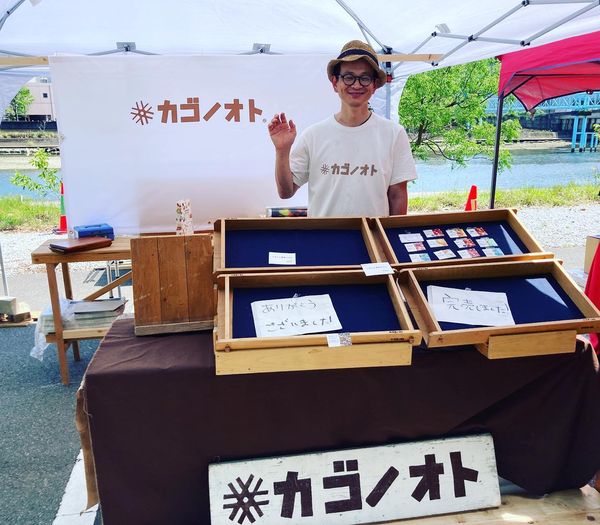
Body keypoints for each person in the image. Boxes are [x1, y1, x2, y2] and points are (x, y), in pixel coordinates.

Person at [268, 40, 417, 217]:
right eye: (348, 77)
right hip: (322, 238)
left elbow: (397, 195)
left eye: (364, 78)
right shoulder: (314, 136)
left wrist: (392, 238)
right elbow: (286, 192)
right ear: (335, 83)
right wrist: (282, 151)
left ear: (374, 85)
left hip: (373, 239)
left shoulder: (394, 134)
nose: (356, 85)